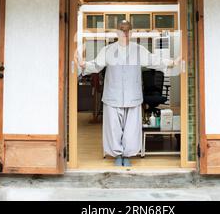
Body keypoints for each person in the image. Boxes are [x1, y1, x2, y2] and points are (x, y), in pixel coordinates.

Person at [75, 20, 177, 167]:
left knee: (131, 129)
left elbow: (155, 61)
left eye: (128, 30)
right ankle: (117, 155)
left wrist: (173, 62)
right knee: (113, 128)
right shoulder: (108, 50)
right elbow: (96, 66)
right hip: (112, 96)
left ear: (132, 32)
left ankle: (127, 155)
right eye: (122, 29)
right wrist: (84, 64)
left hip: (132, 96)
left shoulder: (138, 50)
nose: (125, 33)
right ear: (117, 32)